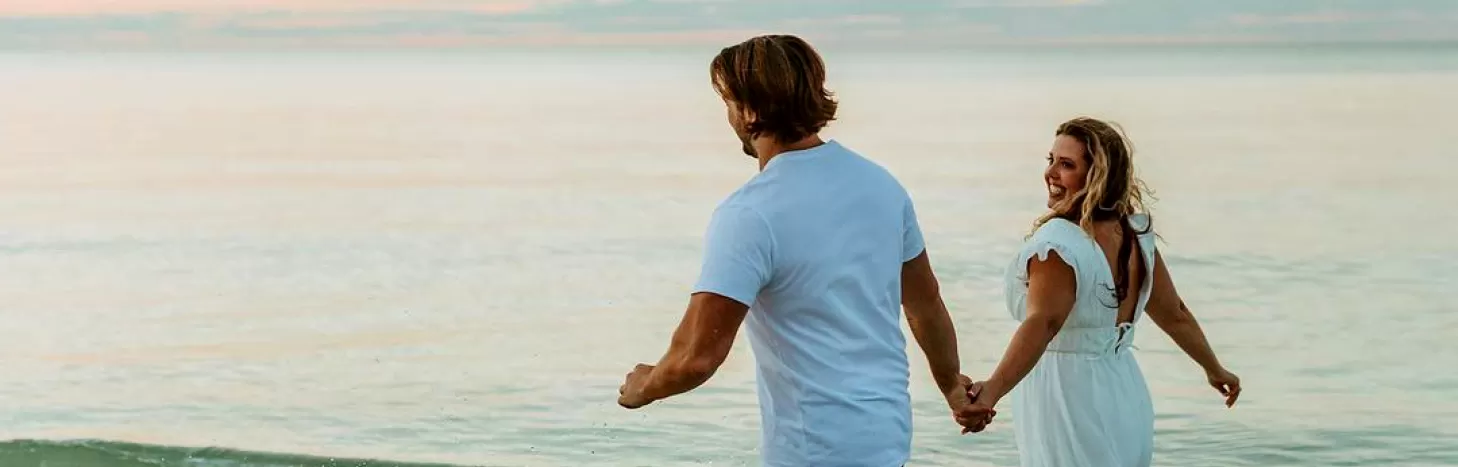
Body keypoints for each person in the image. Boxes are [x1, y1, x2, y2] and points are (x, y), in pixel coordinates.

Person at [615, 34, 980, 466]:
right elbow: (925, 303)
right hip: (886, 435)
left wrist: (645, 386)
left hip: (814, 449)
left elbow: (697, 357)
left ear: (750, 109)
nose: (728, 115)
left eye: (729, 101)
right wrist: (951, 385)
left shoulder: (750, 213)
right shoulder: (881, 186)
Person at [957, 117, 1242, 466]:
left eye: (1067, 164)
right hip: (1124, 387)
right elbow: (1174, 313)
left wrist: (991, 392)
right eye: (1051, 160)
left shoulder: (1058, 243)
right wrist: (1213, 368)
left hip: (1068, 394)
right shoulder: (1136, 234)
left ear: (1097, 176)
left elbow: (1042, 325)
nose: (1051, 173)